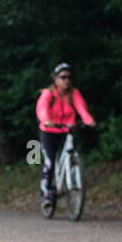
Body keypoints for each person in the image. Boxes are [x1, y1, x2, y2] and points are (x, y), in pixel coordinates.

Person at [35, 62, 95, 202]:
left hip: (67, 129)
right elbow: (42, 109)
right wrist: (46, 120)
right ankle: (46, 193)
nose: (67, 80)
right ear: (56, 79)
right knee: (49, 162)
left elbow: (82, 109)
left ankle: (71, 175)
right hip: (49, 130)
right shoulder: (48, 94)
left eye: (69, 77)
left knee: (71, 153)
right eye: (63, 77)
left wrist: (89, 120)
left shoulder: (75, 94)